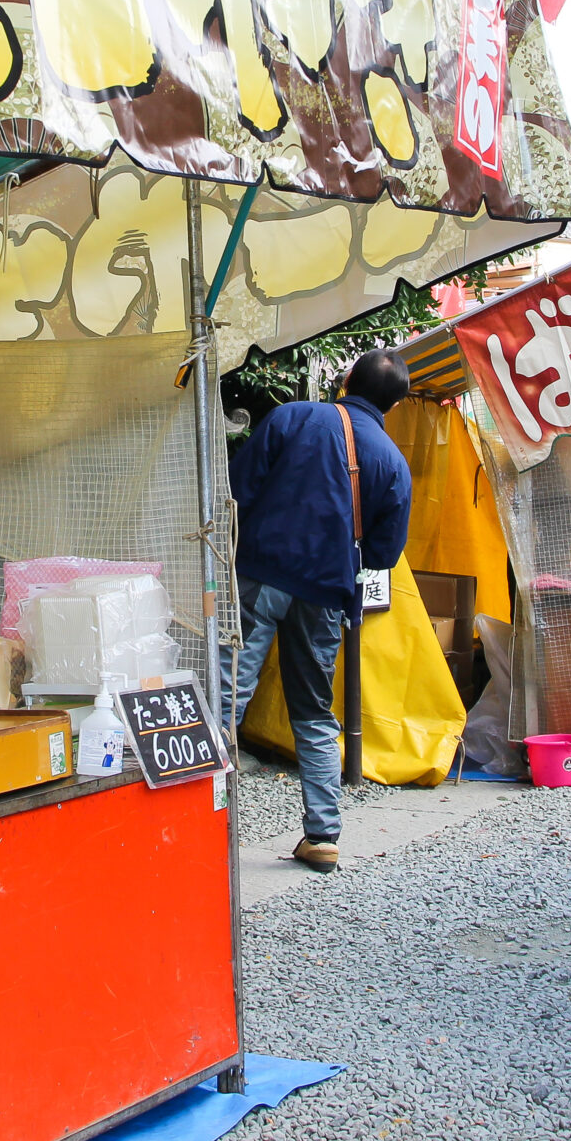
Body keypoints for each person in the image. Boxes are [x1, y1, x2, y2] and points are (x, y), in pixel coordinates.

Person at [227, 351, 413, 874]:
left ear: (347, 379)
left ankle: (202, 818)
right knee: (312, 712)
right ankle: (323, 835)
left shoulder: (293, 416)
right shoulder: (393, 464)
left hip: (261, 576)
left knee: (229, 697)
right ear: (394, 405)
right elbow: (381, 556)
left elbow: (237, 490)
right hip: (326, 595)